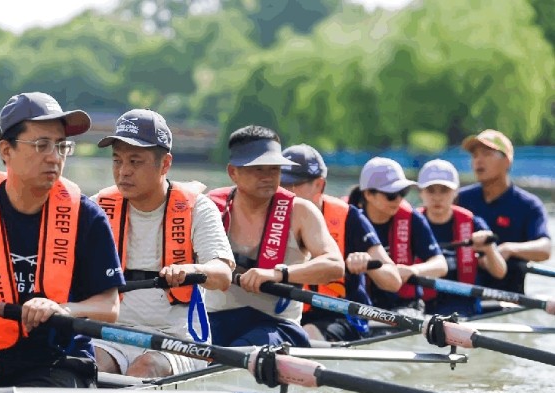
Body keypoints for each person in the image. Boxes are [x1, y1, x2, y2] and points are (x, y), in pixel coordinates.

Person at [0, 92, 123, 393]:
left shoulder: (87, 216)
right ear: (6, 150)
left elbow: (109, 307)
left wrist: (62, 309)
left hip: (60, 364)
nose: (54, 157)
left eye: (61, 146)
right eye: (41, 145)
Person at [91, 109, 234, 377]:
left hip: (176, 339)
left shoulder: (198, 208)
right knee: (88, 366)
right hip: (109, 334)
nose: (123, 172)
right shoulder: (99, 205)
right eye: (117, 160)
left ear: (165, 164)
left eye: (135, 161)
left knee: (145, 368)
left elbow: (223, 274)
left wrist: (192, 270)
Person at [205, 126, 345, 348]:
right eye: (258, 168)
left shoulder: (301, 212)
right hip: (215, 322)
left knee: (244, 347)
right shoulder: (210, 208)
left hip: (278, 327)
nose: (268, 177)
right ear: (233, 172)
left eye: (274, 168)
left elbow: (335, 265)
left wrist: (279, 273)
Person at [280, 144, 401, 341]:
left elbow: (393, 281)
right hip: (289, 314)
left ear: (319, 185)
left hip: (342, 315)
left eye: (293, 184)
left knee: (308, 333)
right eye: (280, 183)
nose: (284, 191)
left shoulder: (349, 217)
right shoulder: (269, 215)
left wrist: (368, 263)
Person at [347, 157, 447, 312]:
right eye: (391, 195)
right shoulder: (349, 221)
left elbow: (440, 264)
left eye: (403, 192)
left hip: (404, 305)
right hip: (360, 306)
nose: (399, 199)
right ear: (368, 195)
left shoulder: (412, 219)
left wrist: (413, 270)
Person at [459, 129, 550, 293]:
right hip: (462, 295)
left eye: (486, 154)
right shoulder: (460, 199)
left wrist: (508, 249)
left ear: (507, 161)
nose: (478, 160)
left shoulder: (528, 205)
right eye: (474, 155)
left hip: (507, 301)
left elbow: (545, 249)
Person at [417, 159, 506, 315]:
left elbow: (500, 272)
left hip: (463, 305)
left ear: (456, 192)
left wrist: (489, 249)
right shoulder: (411, 223)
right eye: (431, 190)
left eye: (444, 190)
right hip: (420, 305)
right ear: (421, 193)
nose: (437, 197)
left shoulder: (473, 224)